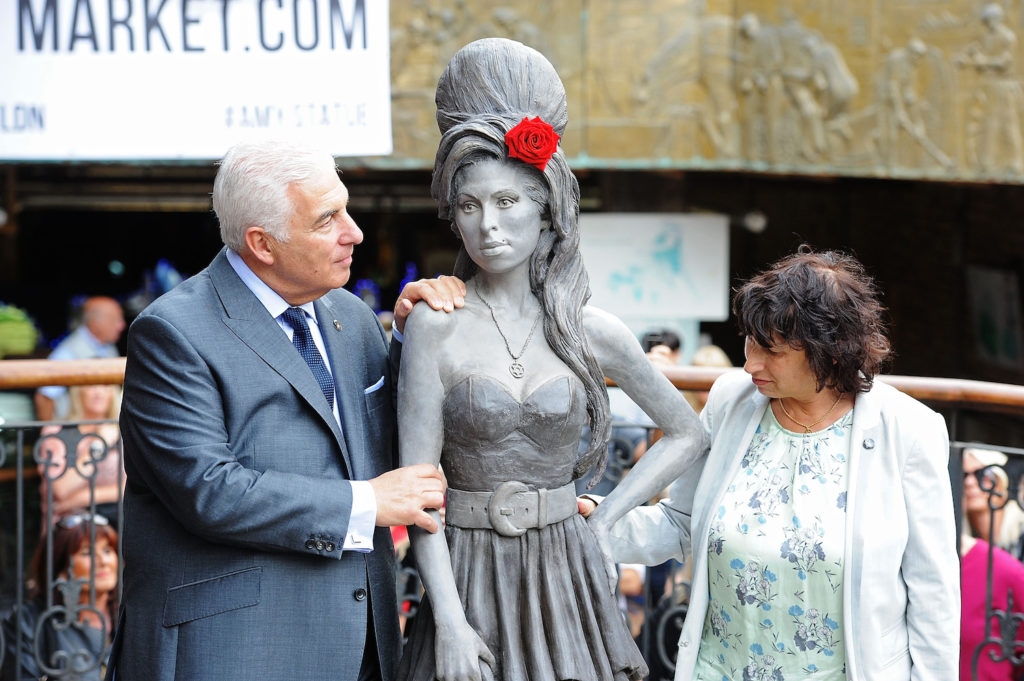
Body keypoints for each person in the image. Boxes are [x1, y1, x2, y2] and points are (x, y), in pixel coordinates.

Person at [395, 37, 705, 681]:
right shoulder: (435, 324)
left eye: (508, 203)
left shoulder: (594, 330)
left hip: (569, 569)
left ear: (547, 210)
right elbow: (420, 492)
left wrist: (608, 521)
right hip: (469, 571)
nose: (489, 226)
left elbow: (687, 433)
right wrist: (447, 621)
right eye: (470, 206)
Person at [104, 139, 463, 681]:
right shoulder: (172, 332)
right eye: (327, 219)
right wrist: (366, 502)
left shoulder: (355, 317)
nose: (355, 232)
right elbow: (209, 490)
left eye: (345, 206)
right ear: (262, 243)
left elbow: (387, 449)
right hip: (235, 650)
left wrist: (417, 345)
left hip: (364, 643)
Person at [586, 245, 960, 680]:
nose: (749, 363)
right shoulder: (731, 402)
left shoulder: (909, 430)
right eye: (749, 341)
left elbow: (933, 593)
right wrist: (599, 518)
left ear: (830, 351)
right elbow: (679, 523)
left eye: (772, 351)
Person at [2, 510, 119, 681]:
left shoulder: (131, 612)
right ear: (60, 567)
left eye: (108, 550)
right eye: (87, 553)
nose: (103, 561)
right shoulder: (30, 621)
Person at [37, 384, 124, 528]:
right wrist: (97, 447)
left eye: (106, 386)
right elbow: (61, 489)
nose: (99, 392)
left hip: (115, 527)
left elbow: (132, 488)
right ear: (78, 392)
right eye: (92, 386)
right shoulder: (57, 433)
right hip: (70, 531)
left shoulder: (122, 432)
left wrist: (82, 498)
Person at [34, 296, 125, 422]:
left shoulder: (108, 347)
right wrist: (51, 432)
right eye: (115, 320)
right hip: (72, 435)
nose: (122, 326)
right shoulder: (68, 352)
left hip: (104, 432)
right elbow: (45, 396)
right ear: (95, 322)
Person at [963, 447, 1024, 560]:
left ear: (1001, 481)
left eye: (981, 474)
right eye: (963, 475)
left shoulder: (1021, 529)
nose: (969, 482)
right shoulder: (959, 534)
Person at [682, 343, 733, 414]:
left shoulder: (733, 412)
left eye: (714, 378)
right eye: (699, 377)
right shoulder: (681, 409)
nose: (705, 382)